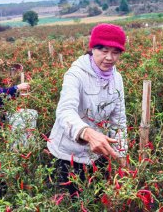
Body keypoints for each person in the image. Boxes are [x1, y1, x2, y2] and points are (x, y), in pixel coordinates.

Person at [48, 24, 128, 199]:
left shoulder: (117, 78)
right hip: (69, 153)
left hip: (98, 151)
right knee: (81, 200)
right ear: (93, 49)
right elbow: (65, 111)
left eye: (115, 52)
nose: (109, 58)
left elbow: (118, 118)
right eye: (104, 51)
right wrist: (86, 132)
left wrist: (121, 152)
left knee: (99, 196)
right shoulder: (76, 74)